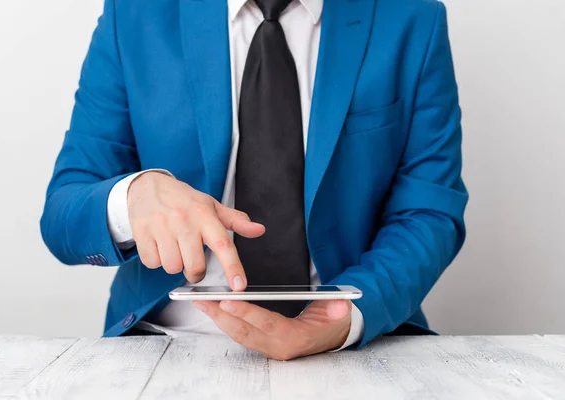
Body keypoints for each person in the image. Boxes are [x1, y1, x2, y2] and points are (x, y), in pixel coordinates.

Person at [41, 0, 468, 360]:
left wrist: (342, 318)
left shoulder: (412, 17)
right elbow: (64, 213)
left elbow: (429, 212)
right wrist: (132, 198)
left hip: (351, 343)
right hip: (163, 344)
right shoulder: (135, 13)